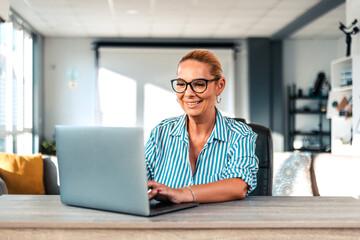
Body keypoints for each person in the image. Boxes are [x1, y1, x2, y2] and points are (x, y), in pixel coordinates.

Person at [146, 49, 258, 203]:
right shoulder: (161, 132)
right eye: (181, 84)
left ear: (219, 86)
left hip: (219, 225)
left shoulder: (241, 135)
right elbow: (137, 182)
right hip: (165, 224)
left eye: (199, 84)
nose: (188, 93)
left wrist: (182, 193)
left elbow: (238, 186)